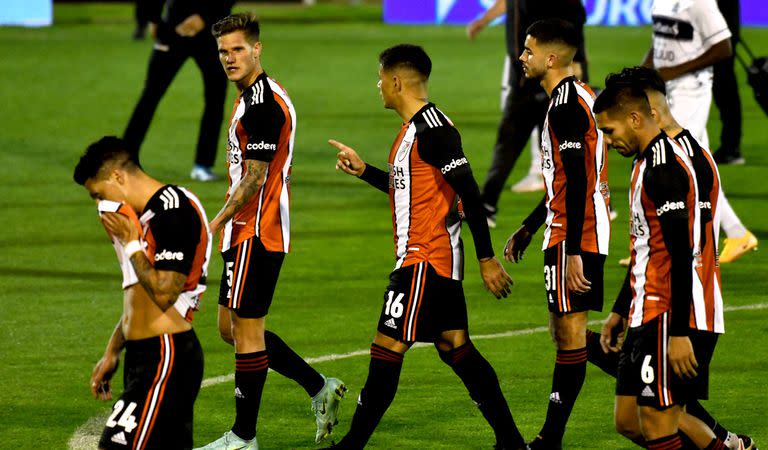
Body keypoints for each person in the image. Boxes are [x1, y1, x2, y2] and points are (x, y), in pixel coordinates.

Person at [327, 43, 524, 449]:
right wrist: (365, 172)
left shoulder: (433, 130)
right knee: (455, 348)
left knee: (386, 351)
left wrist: (487, 259)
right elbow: (409, 191)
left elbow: (469, 191)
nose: (377, 86)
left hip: (424, 260)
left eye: (380, 78)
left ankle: (350, 447)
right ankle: (511, 441)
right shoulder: (414, 129)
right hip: (433, 262)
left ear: (397, 81)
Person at [197, 14, 346, 450]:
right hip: (245, 233)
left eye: (238, 49)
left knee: (245, 332)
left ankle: (244, 437)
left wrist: (214, 224)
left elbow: (256, 176)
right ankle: (319, 386)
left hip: (256, 234)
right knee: (232, 329)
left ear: (257, 49)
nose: (229, 58)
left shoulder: (263, 104)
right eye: (223, 52)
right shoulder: (253, 95)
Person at [596, 66, 756, 450]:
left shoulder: (673, 166)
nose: (606, 142)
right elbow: (644, 247)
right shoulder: (644, 162)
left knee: (659, 422)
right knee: (631, 421)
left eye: (609, 131)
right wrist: (621, 308)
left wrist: (682, 330)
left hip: (674, 311)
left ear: (639, 112)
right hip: (647, 307)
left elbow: (686, 251)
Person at [502, 19, 610, 449]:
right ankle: (652, 386)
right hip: (570, 229)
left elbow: (578, 183)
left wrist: (572, 250)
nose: (521, 57)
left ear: (551, 58)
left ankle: (549, 438)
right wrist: (531, 225)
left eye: (528, 51)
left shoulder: (564, 105)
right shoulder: (576, 96)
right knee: (567, 335)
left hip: (575, 234)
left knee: (569, 338)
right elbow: (565, 179)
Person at [74, 136, 212, 449]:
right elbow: (139, 299)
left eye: (99, 195)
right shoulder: (141, 219)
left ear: (117, 177)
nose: (100, 205)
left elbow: (164, 293)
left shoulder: (174, 209)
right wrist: (113, 351)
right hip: (146, 357)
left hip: (166, 356)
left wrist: (132, 243)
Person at [643, 0, 757, 264]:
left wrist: (674, 71)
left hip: (691, 90)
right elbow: (659, 42)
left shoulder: (701, 2)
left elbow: (723, 47)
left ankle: (672, 246)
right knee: (696, 165)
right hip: (665, 88)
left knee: (675, 163)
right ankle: (737, 234)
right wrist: (641, 73)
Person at [466, 0, 589, 227]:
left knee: (516, 143)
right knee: (522, 143)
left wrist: (577, 59)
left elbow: (574, 17)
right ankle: (487, 205)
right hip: (534, 76)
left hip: (539, 79)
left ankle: (487, 205)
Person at [123, 0, 234, 181]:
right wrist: (153, 19)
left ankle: (203, 165)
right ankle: (124, 162)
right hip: (173, 30)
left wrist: (204, 17)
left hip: (211, 32)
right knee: (150, 95)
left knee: (215, 99)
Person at [712, 0, 744, 165]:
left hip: (720, 36)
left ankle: (731, 147)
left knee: (724, 89)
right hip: (723, 32)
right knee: (723, 88)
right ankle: (731, 146)